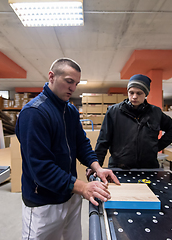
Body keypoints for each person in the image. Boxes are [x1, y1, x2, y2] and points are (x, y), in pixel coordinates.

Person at [15, 58, 120, 240]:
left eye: (76, 83)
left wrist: (97, 167)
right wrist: (83, 187)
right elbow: (41, 168)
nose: (73, 88)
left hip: (70, 195)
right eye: (69, 81)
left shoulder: (70, 111)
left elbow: (81, 143)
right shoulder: (34, 113)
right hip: (44, 203)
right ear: (52, 76)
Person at [95, 74, 172, 169]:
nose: (134, 97)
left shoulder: (155, 112)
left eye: (139, 93)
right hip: (120, 167)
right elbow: (103, 141)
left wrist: (157, 146)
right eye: (131, 92)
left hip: (148, 167)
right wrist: (97, 167)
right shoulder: (113, 112)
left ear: (145, 94)